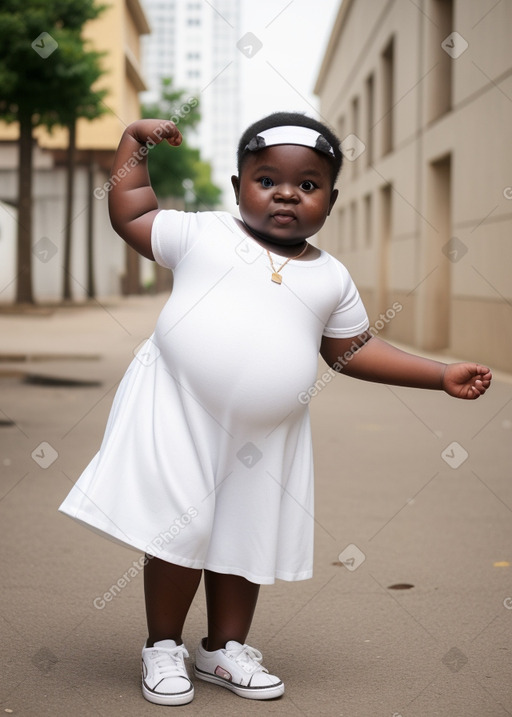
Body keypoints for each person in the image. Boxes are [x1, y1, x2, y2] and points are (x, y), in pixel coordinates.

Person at [59, 112, 492, 706]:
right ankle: (163, 646)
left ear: (331, 200)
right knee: (183, 529)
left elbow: (354, 349)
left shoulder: (331, 278)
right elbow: (131, 212)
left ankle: (224, 649)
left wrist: (440, 374)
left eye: (308, 186)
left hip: (266, 437)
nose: (287, 194)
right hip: (177, 411)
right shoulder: (204, 235)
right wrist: (134, 145)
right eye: (267, 180)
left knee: (245, 537)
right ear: (239, 186)